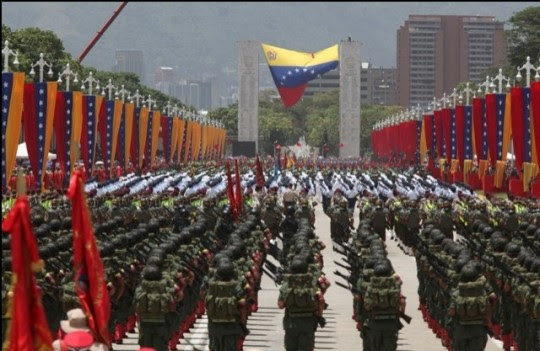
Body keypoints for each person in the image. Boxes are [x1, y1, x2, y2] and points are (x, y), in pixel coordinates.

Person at [278, 257, 325, 351]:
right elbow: (321, 299)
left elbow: (280, 304)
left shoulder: (287, 284)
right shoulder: (311, 282)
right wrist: (319, 315)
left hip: (291, 323)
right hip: (308, 323)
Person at [205, 258, 246, 351]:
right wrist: (242, 322)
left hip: (214, 327)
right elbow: (242, 303)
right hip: (231, 327)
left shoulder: (212, 286)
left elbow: (206, 302)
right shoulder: (235, 286)